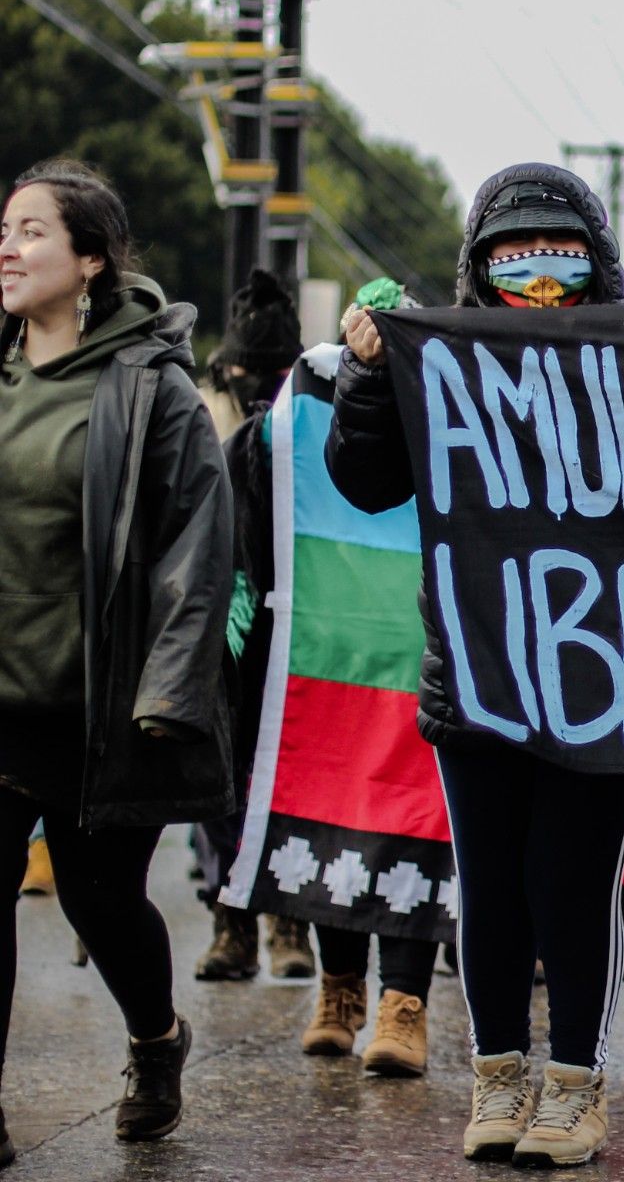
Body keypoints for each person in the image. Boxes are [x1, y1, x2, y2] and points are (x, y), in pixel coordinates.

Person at [328, 164, 624, 1167]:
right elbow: (364, 481)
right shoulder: (436, 362)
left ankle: (574, 1086)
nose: (537, 274)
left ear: (598, 260)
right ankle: (497, 1074)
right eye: (513, 254)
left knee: (571, 883)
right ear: (477, 266)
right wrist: (369, 374)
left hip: (605, 675)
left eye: (559, 252)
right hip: (479, 667)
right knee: (489, 882)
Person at [0, 159, 234, 1158]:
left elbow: (199, 542)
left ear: (90, 258)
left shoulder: (150, 389)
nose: (7, 247)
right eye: (3, 230)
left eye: (30, 231)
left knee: (102, 901)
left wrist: (171, 686)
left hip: (98, 705)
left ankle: (155, 1033)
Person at [223, 279, 441, 1076]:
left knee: (414, 823)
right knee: (332, 812)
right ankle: (341, 986)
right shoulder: (286, 419)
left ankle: (403, 1003)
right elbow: (250, 536)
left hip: (422, 656)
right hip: (329, 657)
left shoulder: (453, 395)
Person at [194, 268, 315, 985]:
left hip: (295, 614)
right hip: (218, 615)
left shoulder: (308, 417)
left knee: (288, 767)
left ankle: (286, 921)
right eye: (247, 372)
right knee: (220, 778)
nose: (257, 384)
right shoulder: (195, 412)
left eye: (273, 372)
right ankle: (230, 921)